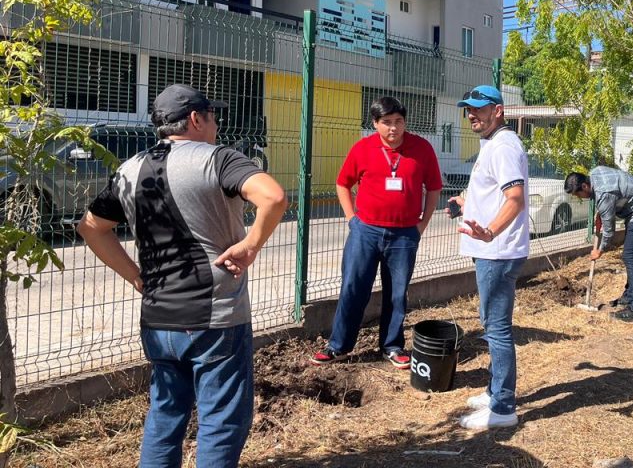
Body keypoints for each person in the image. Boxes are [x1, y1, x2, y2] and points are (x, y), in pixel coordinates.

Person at [78, 84, 287, 468]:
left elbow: (90, 227)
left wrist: (134, 275)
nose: (217, 125)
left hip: (158, 318)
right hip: (214, 319)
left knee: (165, 415)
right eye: (213, 116)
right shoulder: (219, 159)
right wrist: (251, 244)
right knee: (221, 422)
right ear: (195, 119)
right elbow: (273, 197)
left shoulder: (129, 169)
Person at [310, 96, 443, 369]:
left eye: (399, 122)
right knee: (353, 288)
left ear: (405, 122)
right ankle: (338, 346)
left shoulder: (421, 149)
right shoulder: (363, 148)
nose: (393, 128)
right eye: (387, 122)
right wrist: (352, 219)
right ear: (375, 123)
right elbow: (342, 183)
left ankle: (392, 346)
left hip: (404, 235)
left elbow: (434, 188)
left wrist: (422, 224)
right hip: (365, 232)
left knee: (397, 293)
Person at [447, 85, 529, 430]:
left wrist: (491, 231)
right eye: (468, 109)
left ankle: (503, 407)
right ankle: (496, 391)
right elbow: (496, 193)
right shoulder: (494, 143)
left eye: (479, 108)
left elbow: (515, 198)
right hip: (491, 249)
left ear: (498, 110)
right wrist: (468, 204)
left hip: (497, 251)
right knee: (493, 325)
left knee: (497, 329)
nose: (471, 114)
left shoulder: (504, 146)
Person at [564, 167, 633, 322]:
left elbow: (609, 231)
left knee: (630, 256)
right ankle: (629, 296)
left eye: (578, 194)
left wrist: (600, 250)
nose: (579, 197)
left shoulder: (603, 195)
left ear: (584, 186)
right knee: (630, 255)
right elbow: (612, 196)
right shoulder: (595, 172)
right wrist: (602, 213)